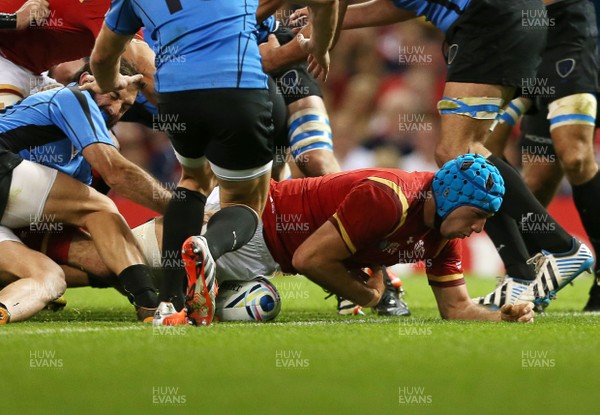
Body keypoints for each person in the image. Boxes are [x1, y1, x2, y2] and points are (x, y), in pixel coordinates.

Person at [20, 154, 535, 323]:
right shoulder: (389, 196)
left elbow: (457, 309)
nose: (479, 227)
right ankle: (24, 252)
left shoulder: (442, 231)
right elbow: (313, 258)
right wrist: (371, 295)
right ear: (450, 198)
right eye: (477, 214)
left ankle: (30, 270)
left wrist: (501, 317)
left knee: (113, 277)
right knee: (116, 264)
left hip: (269, 260)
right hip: (255, 222)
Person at [87, 0, 339, 326]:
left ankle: (169, 302)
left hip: (176, 97)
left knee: (192, 181)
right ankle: (208, 246)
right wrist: (319, 46)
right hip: (240, 88)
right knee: (246, 203)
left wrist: (111, 86)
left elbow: (102, 57)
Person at [0, 61, 171, 324]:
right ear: (86, 80)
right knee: (99, 207)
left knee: (49, 278)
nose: (115, 110)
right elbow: (117, 174)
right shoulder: (73, 97)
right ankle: (150, 306)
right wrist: (182, 209)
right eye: (113, 96)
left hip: (7, 209)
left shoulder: (82, 166)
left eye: (125, 107)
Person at [479, 0, 600, 311]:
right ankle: (529, 276)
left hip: (568, 31)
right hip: (518, 35)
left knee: (575, 156)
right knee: (500, 158)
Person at [0, 0, 156, 108]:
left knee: (88, 134)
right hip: (6, 59)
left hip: (28, 72)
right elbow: (146, 69)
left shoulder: (113, 9)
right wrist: (11, 20)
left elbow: (144, 68)